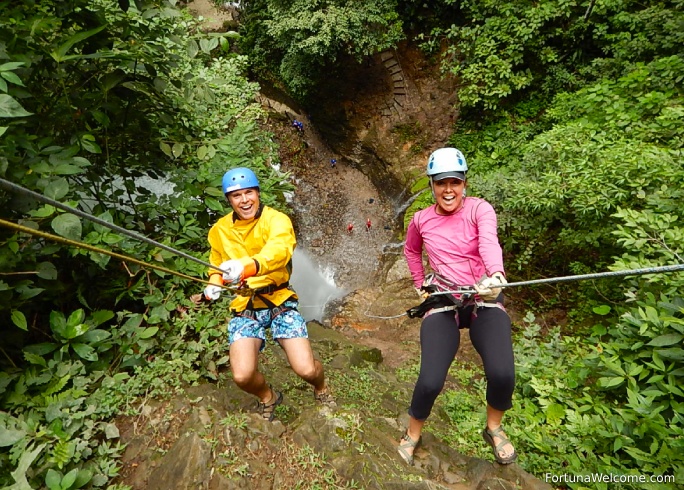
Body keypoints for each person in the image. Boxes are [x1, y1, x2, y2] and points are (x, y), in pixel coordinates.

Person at [398, 147, 516, 465]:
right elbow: (411, 251)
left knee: (503, 373)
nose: (448, 189)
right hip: (445, 298)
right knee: (430, 379)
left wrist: (495, 276)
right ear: (432, 185)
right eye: (441, 183)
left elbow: (489, 242)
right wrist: (419, 282)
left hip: (483, 295)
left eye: (454, 182)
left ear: (464, 183)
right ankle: (412, 433)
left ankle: (493, 428)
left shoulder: (480, 210)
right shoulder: (421, 220)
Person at [203, 167, 335, 421]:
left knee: (306, 369)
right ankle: (268, 397)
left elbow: (279, 251)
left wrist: (246, 266)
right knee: (242, 375)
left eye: (249, 193)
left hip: (279, 299)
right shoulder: (219, 230)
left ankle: (321, 386)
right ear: (229, 200)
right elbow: (216, 264)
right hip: (246, 304)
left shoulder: (277, 220)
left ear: (258, 193)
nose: (244, 200)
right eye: (236, 195)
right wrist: (214, 283)